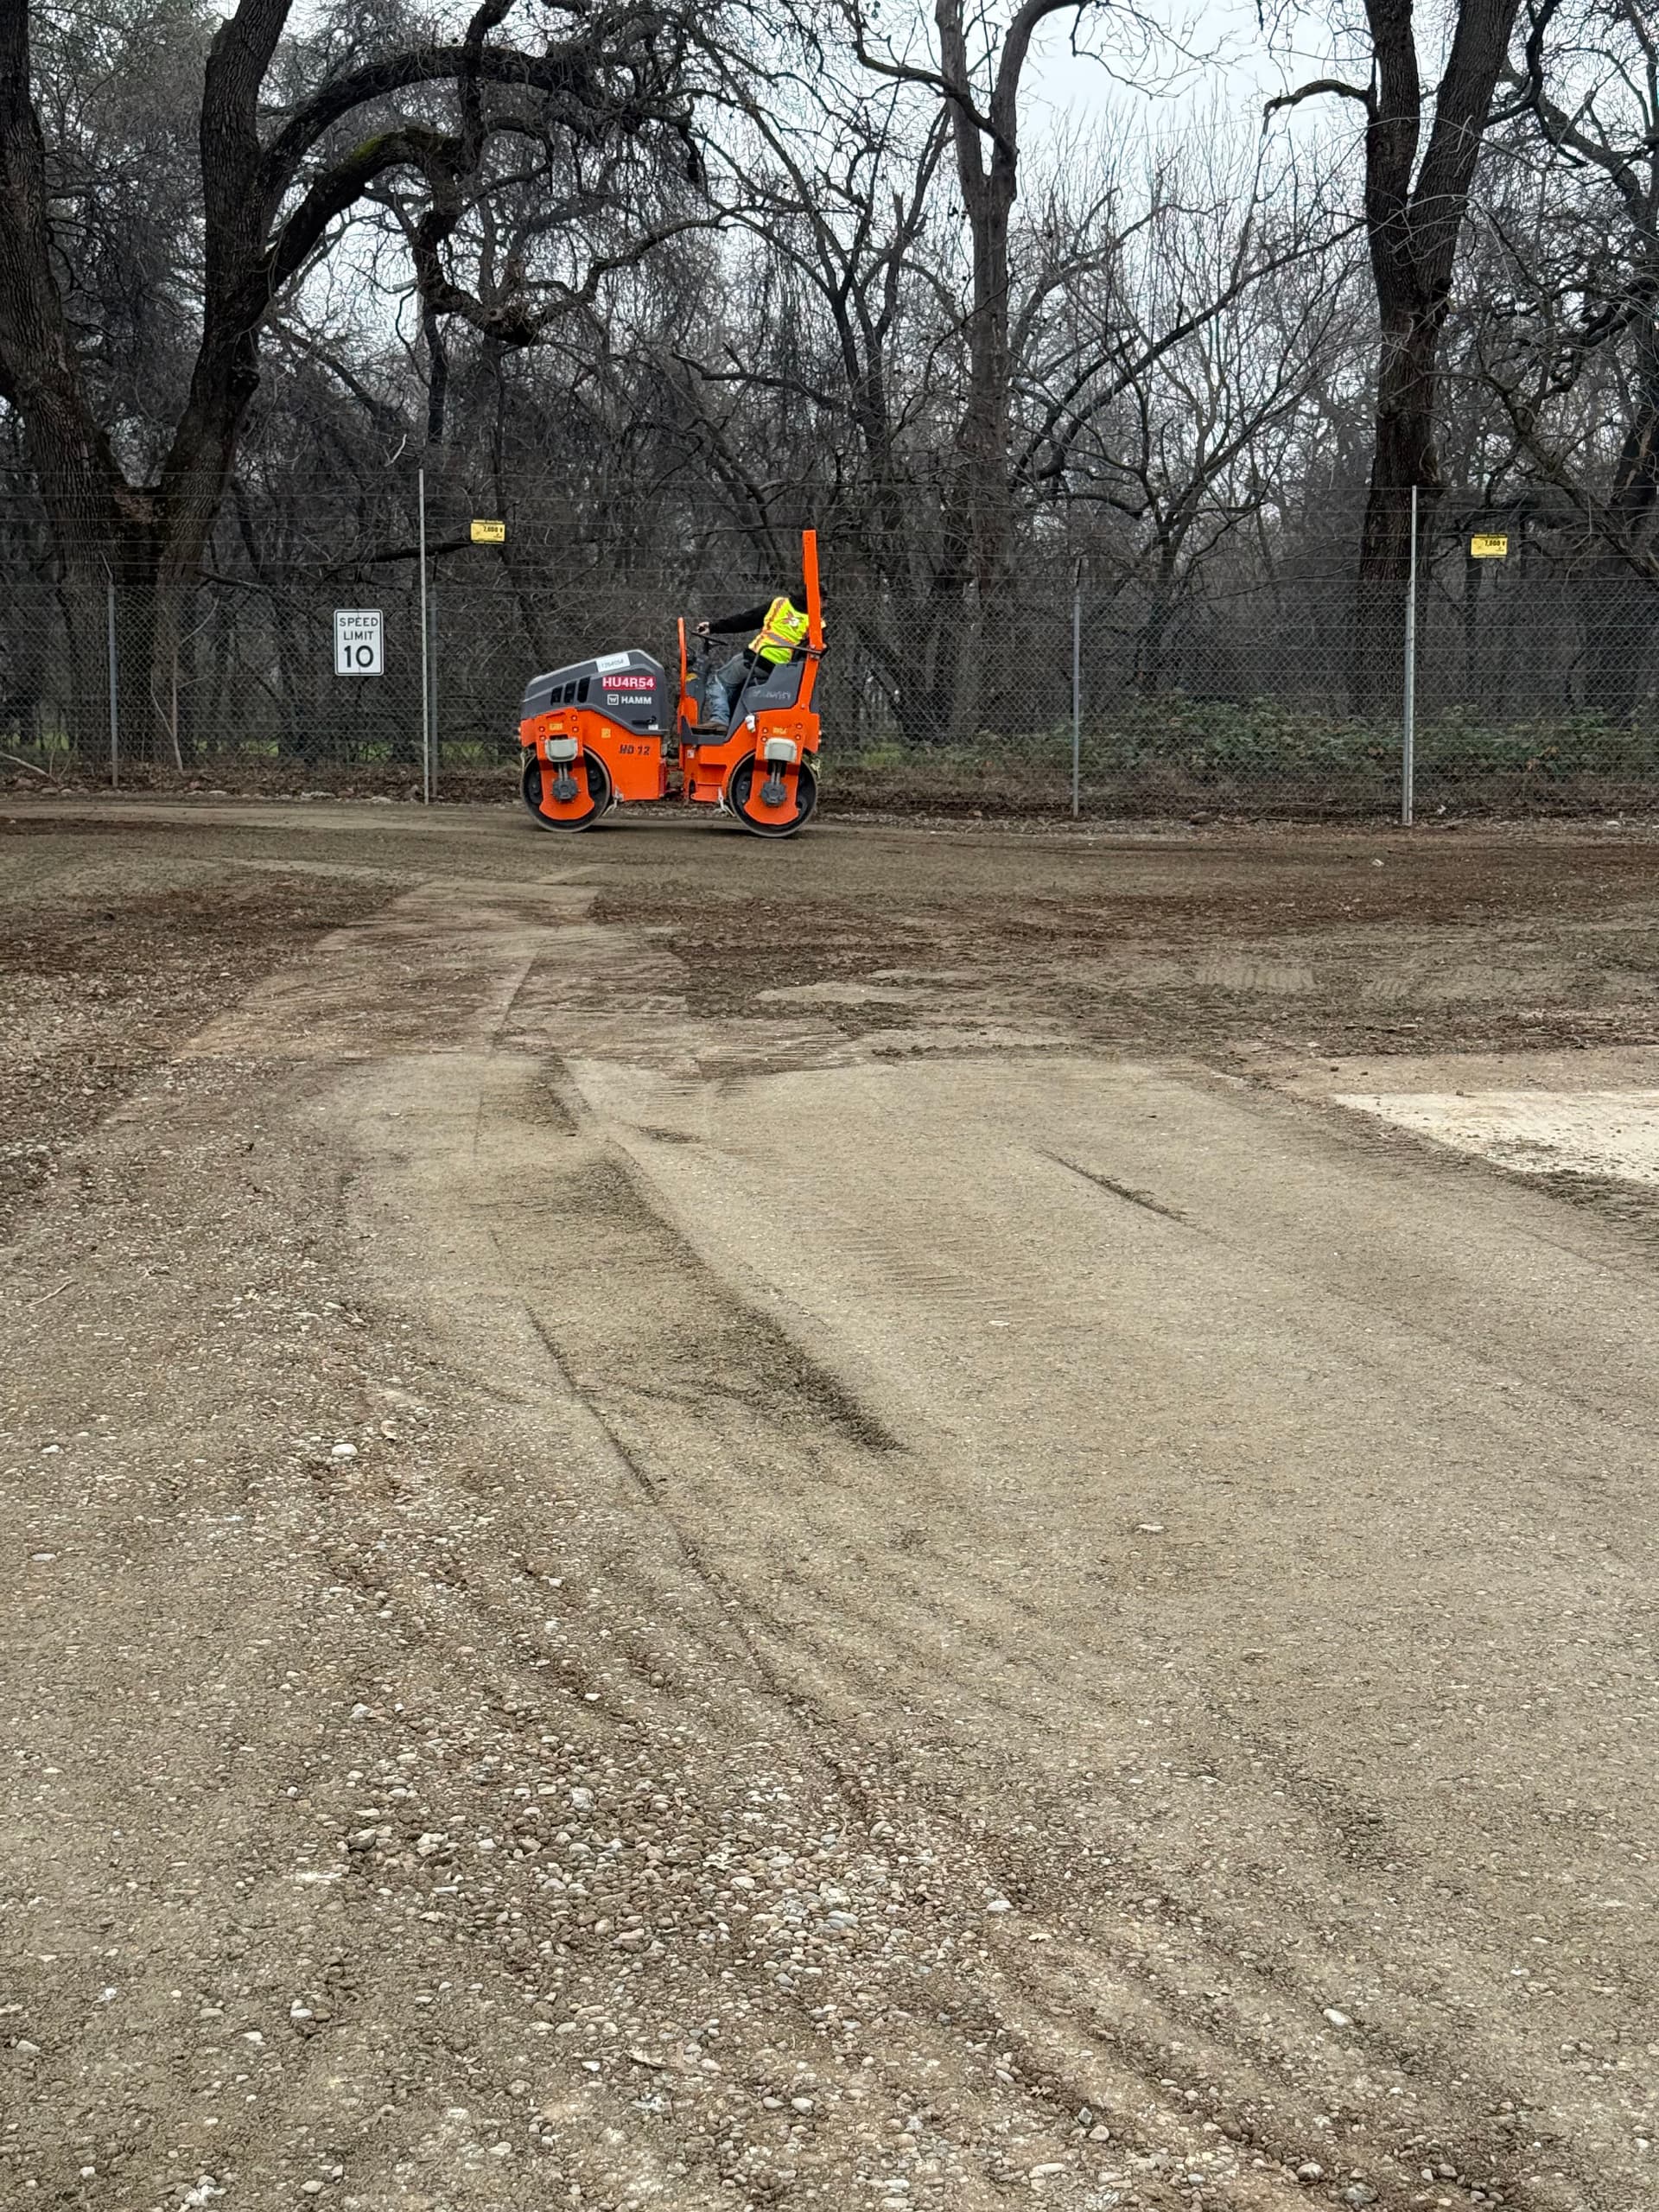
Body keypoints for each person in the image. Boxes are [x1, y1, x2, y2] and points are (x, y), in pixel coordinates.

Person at [694, 582, 810, 728]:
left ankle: (720, 719)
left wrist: (712, 627)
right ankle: (733, 728)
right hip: (781, 670)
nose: (825, 605)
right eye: (824, 601)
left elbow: (746, 620)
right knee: (736, 685)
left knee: (718, 681)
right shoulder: (816, 623)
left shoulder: (779, 604)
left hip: (756, 658)